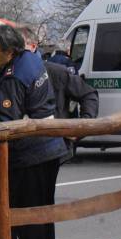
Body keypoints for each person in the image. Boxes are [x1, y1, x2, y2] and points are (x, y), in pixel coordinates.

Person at [0, 25, 67, 239]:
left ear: (8, 51)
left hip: (29, 154)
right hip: (46, 148)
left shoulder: (13, 77)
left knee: (26, 216)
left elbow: (6, 123)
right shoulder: (31, 59)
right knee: (42, 213)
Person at [17, 26, 99, 158]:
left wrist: (82, 127)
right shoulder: (6, 76)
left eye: (20, 47)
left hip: (51, 148)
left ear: (33, 47)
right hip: (18, 150)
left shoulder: (56, 72)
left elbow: (88, 94)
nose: (17, 53)